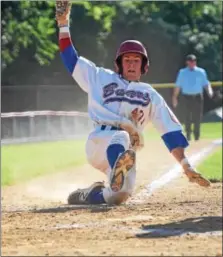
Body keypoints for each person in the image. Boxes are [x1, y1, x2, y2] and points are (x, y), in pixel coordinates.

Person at [55, 1, 210, 206]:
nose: (131, 63)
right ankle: (117, 168)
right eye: (126, 59)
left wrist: (186, 165)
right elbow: (70, 59)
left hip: (125, 154)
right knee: (123, 134)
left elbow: (170, 132)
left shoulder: (150, 95)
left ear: (143, 65)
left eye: (136, 60)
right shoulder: (100, 77)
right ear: (119, 63)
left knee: (120, 195)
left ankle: (91, 194)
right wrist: (63, 25)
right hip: (100, 141)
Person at [172, 54, 213, 141]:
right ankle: (188, 135)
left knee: (197, 117)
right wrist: (175, 97)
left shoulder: (201, 72)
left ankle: (197, 135)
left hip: (197, 97)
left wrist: (209, 91)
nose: (192, 63)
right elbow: (178, 85)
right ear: (187, 62)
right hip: (186, 97)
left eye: (194, 61)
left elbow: (206, 83)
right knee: (187, 116)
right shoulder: (182, 72)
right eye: (190, 61)